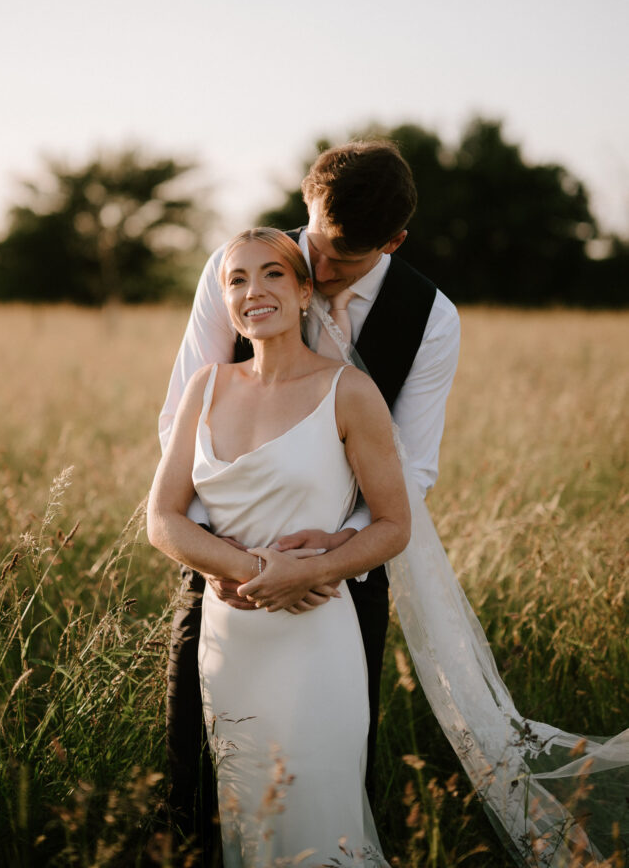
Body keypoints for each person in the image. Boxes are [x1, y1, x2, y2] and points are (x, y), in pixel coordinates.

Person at [158, 141, 460, 854]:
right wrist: (224, 557)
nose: (317, 272)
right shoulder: (242, 268)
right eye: (317, 246)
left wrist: (330, 554)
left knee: (320, 771)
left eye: (342, 262)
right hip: (218, 558)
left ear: (392, 243)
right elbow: (181, 413)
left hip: (343, 572)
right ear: (307, 208)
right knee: (193, 770)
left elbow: (411, 467)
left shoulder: (430, 318)